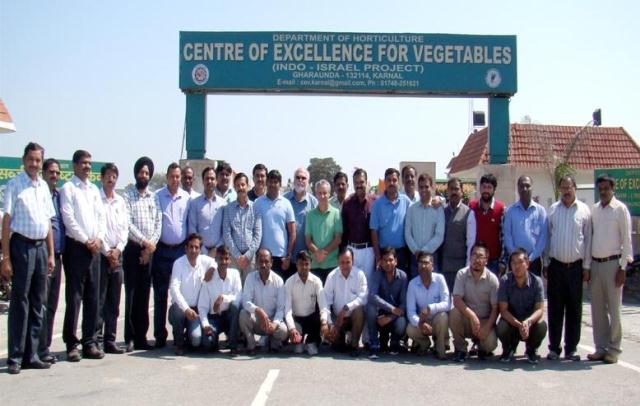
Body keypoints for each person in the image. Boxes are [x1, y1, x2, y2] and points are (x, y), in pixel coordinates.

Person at [2, 143, 56, 374]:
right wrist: (5, 257)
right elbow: (6, 222)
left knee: (38, 303)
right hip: (21, 247)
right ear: (23, 160)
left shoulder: (43, 186)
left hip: (41, 248)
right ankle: (15, 357)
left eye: (38, 161)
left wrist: (51, 253)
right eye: (31, 160)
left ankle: (31, 354)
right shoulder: (14, 185)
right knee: (20, 302)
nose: (35, 164)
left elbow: (48, 224)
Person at [60, 149, 107, 362]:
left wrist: (97, 238)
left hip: (94, 249)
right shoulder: (68, 189)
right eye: (83, 163)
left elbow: (100, 217)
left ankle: (90, 342)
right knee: (75, 298)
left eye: (89, 163)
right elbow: (68, 218)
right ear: (74, 165)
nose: (87, 166)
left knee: (93, 298)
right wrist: (85, 240)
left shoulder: (94, 190)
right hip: (77, 249)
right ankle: (71, 344)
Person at [544, 175, 591, 361]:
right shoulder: (553, 210)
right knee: (555, 308)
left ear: (575, 188)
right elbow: (548, 239)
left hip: (576, 268)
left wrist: (587, 266)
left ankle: (571, 348)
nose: (565, 190)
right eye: (562, 187)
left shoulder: (584, 211)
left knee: (574, 309)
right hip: (556, 266)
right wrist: (546, 263)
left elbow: (588, 241)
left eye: (568, 187)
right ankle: (554, 348)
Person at [588, 174, 633, 364]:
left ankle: (614, 349)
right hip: (596, 264)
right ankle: (601, 347)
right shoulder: (595, 210)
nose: (604, 192)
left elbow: (627, 241)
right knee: (597, 309)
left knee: (614, 309)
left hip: (613, 264)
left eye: (607, 188)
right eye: (601, 189)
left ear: (612, 189)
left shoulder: (620, 209)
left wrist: (623, 267)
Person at [122, 156, 162, 352]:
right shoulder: (128, 195)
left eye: (147, 173)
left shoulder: (153, 197)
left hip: (150, 251)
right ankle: (129, 337)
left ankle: (141, 337)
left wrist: (150, 245)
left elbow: (158, 223)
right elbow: (127, 223)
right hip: (132, 249)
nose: (143, 176)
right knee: (131, 294)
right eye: (141, 172)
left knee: (145, 296)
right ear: (136, 173)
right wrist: (144, 242)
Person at [152, 162, 190, 348]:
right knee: (160, 295)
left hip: (180, 252)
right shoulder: (157, 196)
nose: (175, 180)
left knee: (179, 294)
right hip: (162, 250)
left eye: (178, 177)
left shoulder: (186, 198)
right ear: (167, 177)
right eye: (172, 176)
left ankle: (179, 334)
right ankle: (160, 335)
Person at [97, 163, 128, 354]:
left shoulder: (120, 202)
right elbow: (97, 227)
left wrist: (118, 250)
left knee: (114, 301)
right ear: (101, 178)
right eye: (108, 176)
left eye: (114, 176)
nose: (111, 179)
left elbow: (124, 229)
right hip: (101, 256)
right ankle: (96, 339)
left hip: (118, 256)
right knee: (99, 300)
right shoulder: (96, 200)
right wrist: (107, 251)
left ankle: (110, 339)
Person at [450, 242, 499, 362]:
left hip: (484, 321)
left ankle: (480, 345)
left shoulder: (492, 279)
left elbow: (495, 308)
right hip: (467, 319)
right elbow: (456, 300)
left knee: (490, 344)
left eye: (480, 256)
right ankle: (461, 348)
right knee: (454, 312)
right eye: (474, 255)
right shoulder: (462, 274)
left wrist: (487, 327)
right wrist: (472, 316)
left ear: (486, 260)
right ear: (470, 257)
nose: (476, 259)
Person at [497, 248, 547, 364]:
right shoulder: (505, 281)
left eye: (520, 262)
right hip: (512, 322)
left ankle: (531, 349)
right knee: (502, 325)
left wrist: (528, 322)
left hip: (530, 324)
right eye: (513, 263)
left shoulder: (537, 281)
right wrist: (519, 324)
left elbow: (540, 309)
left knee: (542, 325)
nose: (517, 266)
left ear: (527, 264)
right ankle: (508, 348)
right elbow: (503, 310)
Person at [168, 233, 215, 355]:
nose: (193, 250)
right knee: (177, 311)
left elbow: (215, 263)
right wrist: (186, 309)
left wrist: (212, 269)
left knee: (196, 341)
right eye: (191, 247)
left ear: (200, 249)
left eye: (196, 247)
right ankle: (179, 343)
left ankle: (188, 335)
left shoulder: (204, 260)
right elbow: (174, 289)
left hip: (196, 311)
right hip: (181, 308)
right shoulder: (178, 263)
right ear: (186, 248)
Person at [38, 157, 65, 365]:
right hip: (42, 255)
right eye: (51, 172)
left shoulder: (58, 196)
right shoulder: (39, 194)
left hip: (57, 256)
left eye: (57, 173)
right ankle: (36, 348)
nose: (54, 176)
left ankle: (45, 347)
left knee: (53, 304)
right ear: (43, 173)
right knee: (40, 303)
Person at [239, 248, 288, 354]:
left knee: (283, 331)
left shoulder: (278, 281)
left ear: (271, 262)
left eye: (266, 261)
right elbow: (246, 301)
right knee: (243, 314)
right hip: (257, 321)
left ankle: (273, 343)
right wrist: (258, 310)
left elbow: (281, 308)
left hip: (271, 322)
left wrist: (274, 324)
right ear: (256, 262)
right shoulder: (250, 277)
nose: (263, 265)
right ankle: (251, 344)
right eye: (261, 261)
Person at [324, 247, 368, 357]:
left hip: (353, 316)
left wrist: (347, 307)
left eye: (348, 262)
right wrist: (330, 323)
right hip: (337, 319)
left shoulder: (360, 275)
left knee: (359, 310)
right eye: (342, 262)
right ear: (338, 262)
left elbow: (363, 298)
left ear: (353, 260)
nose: (345, 265)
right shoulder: (331, 276)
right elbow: (326, 303)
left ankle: (354, 345)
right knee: (337, 345)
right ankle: (340, 340)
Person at [405, 252, 450, 360]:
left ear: (432, 266)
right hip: (423, 321)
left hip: (436, 320)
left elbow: (447, 303)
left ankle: (440, 348)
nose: (423, 266)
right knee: (410, 329)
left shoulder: (440, 279)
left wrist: (430, 308)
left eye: (426, 263)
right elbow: (410, 311)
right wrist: (420, 323)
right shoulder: (412, 284)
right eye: (420, 263)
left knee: (443, 316)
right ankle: (425, 344)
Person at [199, 246, 242, 355]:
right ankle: (214, 340)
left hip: (229, 317)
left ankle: (233, 345)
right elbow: (202, 306)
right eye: (220, 258)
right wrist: (205, 324)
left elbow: (239, 296)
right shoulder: (209, 278)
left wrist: (223, 298)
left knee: (235, 306)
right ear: (216, 260)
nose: (223, 262)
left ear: (230, 260)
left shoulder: (235, 274)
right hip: (213, 318)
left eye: (226, 259)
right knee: (207, 344)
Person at [284, 251, 328, 356]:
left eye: (306, 264)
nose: (304, 267)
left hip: (312, 319)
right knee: (298, 350)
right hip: (297, 320)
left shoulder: (317, 281)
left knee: (320, 317)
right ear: (296, 264)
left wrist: (324, 322)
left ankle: (311, 341)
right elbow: (287, 310)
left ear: (310, 264)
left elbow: (323, 305)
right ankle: (298, 341)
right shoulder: (289, 282)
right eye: (300, 264)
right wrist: (292, 328)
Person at [366, 247, 408, 359]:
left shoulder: (403, 276)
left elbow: (403, 303)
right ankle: (374, 344)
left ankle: (394, 343)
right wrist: (391, 309)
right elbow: (372, 296)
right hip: (380, 314)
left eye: (390, 260)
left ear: (396, 261)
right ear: (380, 262)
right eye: (384, 260)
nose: (387, 263)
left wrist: (390, 316)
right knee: (369, 307)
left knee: (402, 321)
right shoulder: (377, 274)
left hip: (395, 316)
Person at [254, 170, 295, 279]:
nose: (272, 184)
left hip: (281, 257)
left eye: (275, 182)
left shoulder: (286, 204)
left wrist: (288, 256)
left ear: (280, 184)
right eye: (270, 181)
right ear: (266, 183)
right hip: (262, 257)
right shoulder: (257, 203)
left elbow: (292, 233)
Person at [503, 175, 547, 276]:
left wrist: (530, 259)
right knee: (515, 291)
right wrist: (518, 258)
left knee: (534, 290)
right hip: (515, 262)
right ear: (517, 188)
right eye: (521, 186)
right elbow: (507, 237)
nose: (524, 189)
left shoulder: (540, 211)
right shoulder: (510, 211)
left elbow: (543, 238)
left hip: (534, 261)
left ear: (532, 187)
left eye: (527, 186)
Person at [439, 177, 476, 293]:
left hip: (460, 266)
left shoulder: (469, 213)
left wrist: (468, 266)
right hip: (443, 265)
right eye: (451, 189)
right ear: (447, 191)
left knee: (458, 300)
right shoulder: (440, 211)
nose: (454, 192)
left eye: (457, 189)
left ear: (461, 191)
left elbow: (471, 242)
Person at [404, 173, 444, 280]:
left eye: (426, 186)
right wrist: (416, 250)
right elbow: (407, 233)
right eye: (421, 187)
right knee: (415, 287)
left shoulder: (438, 208)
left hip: (432, 256)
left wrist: (425, 250)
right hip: (415, 256)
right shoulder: (412, 208)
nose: (423, 190)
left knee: (433, 289)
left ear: (432, 187)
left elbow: (439, 234)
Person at [370, 168, 411, 272]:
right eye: (388, 180)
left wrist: (440, 200)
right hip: (384, 254)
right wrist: (378, 256)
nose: (391, 183)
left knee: (401, 283)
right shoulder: (377, 204)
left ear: (399, 182)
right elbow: (374, 231)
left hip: (401, 253)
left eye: (394, 180)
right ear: (385, 182)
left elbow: (419, 207)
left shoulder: (406, 201)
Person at [223, 172, 262, 282]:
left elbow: (257, 235)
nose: (240, 188)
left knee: (249, 291)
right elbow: (227, 234)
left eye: (243, 185)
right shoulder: (228, 209)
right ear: (234, 187)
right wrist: (237, 256)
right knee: (234, 290)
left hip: (250, 258)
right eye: (238, 185)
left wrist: (247, 256)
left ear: (248, 186)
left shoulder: (256, 208)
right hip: (234, 258)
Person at [341, 168, 376, 285]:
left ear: (366, 182)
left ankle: (367, 304)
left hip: (369, 250)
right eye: (356, 182)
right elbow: (344, 230)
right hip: (352, 250)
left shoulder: (375, 202)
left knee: (368, 283)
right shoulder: (347, 203)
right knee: (352, 283)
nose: (359, 185)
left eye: (361, 182)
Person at [305, 179, 343, 283]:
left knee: (331, 298)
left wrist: (323, 253)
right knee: (316, 298)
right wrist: (317, 253)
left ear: (329, 194)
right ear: (315, 194)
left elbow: (338, 239)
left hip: (332, 264)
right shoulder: (310, 215)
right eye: (319, 193)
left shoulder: (336, 213)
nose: (322, 196)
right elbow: (308, 240)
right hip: (314, 264)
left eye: (325, 193)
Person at [468, 174, 505, 275]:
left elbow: (503, 237)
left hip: (494, 261)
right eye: (484, 187)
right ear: (479, 188)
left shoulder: (501, 209)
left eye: (489, 187)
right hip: (475, 260)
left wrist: (502, 261)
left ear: (494, 190)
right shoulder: (471, 207)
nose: (486, 190)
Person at [284, 167, 318, 278]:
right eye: (298, 177)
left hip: (306, 260)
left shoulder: (314, 203)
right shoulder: (284, 200)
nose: (300, 180)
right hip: (287, 258)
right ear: (293, 180)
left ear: (308, 182)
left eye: (304, 178)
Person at [188, 166, 225, 256]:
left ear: (216, 181)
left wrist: (216, 249)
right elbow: (192, 229)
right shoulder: (195, 203)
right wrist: (203, 250)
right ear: (203, 181)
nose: (209, 181)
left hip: (219, 253)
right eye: (207, 179)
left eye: (212, 179)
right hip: (199, 252)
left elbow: (225, 230)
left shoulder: (223, 204)